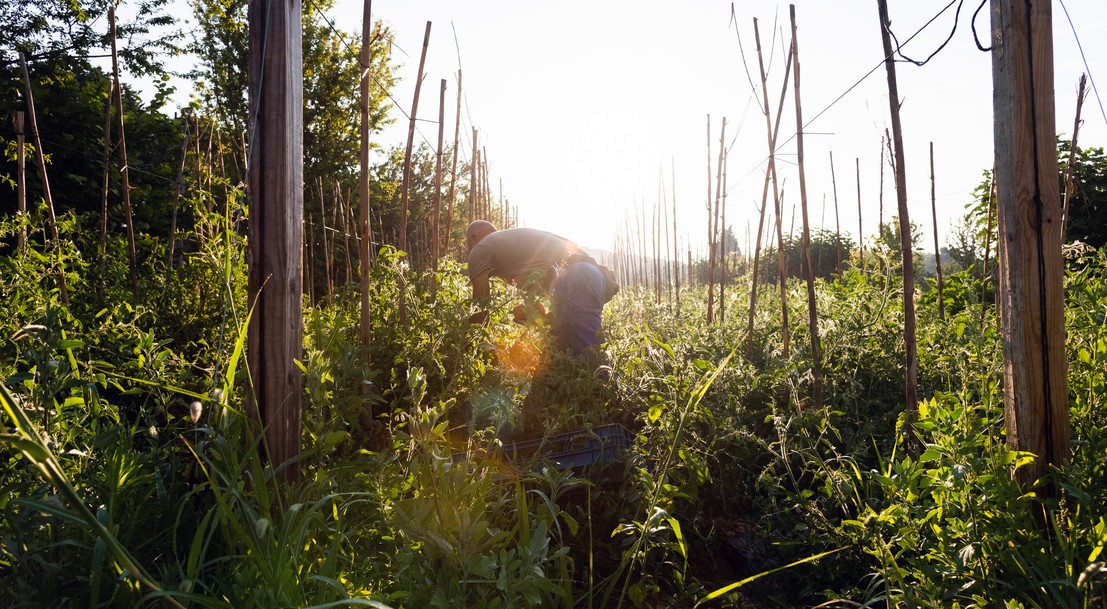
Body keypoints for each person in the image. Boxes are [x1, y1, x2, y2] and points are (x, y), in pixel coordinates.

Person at [465, 220, 609, 356]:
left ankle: (609, 381)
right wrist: (536, 316)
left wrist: (466, 341)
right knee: (563, 349)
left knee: (589, 356)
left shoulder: (480, 248)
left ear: (473, 238)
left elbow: (480, 308)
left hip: (577, 274)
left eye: (468, 244)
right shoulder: (513, 248)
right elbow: (551, 295)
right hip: (590, 275)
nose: (469, 249)